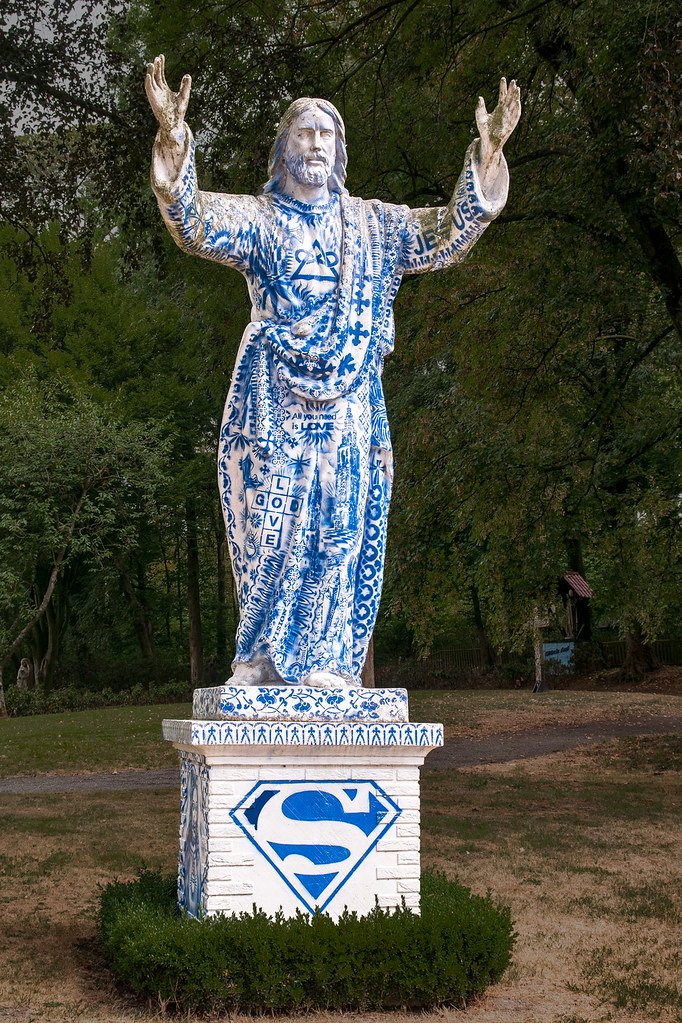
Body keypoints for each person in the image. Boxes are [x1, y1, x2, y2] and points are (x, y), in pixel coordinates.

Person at [146, 55, 521, 688]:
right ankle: (261, 657)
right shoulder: (259, 221)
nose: (316, 143)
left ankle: (324, 662)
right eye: (304, 133)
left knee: (338, 525)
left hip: (348, 406)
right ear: (283, 148)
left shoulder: (373, 225)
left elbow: (442, 236)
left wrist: (485, 158)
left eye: (327, 134)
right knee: (272, 527)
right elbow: (192, 222)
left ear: (339, 150)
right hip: (273, 401)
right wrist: (175, 138)